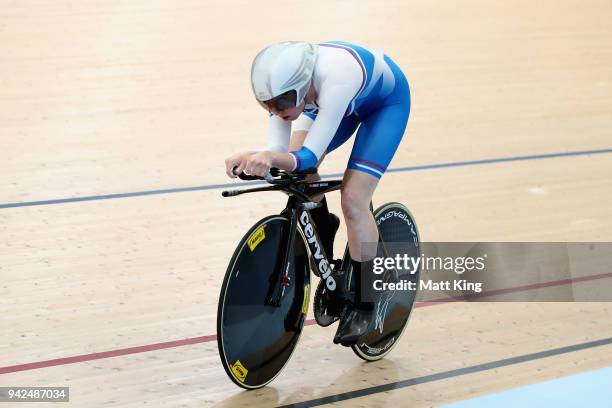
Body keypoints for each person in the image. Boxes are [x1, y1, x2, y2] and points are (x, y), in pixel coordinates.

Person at [224, 41, 411, 345]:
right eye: (267, 105)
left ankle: (367, 300)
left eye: (281, 104)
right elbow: (278, 151)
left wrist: (268, 158)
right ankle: (324, 224)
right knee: (297, 172)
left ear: (301, 88)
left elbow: (309, 156)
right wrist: (257, 157)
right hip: (332, 103)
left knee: (353, 199)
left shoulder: (336, 79)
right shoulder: (283, 91)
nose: (276, 112)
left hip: (384, 106)